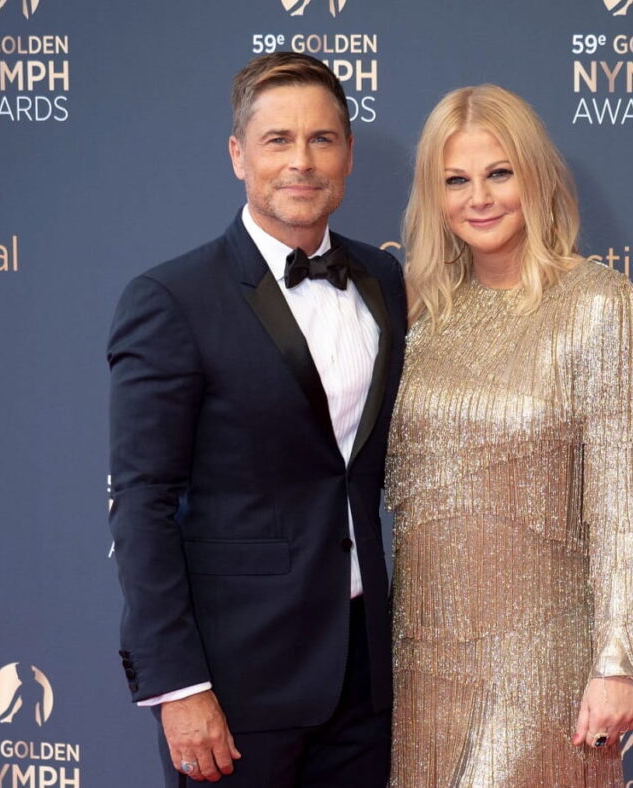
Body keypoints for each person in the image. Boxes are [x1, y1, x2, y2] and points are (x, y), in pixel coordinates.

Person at [108, 52, 406, 786]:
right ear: (238, 154)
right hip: (236, 686)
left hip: (366, 680)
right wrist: (179, 688)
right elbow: (141, 505)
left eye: (321, 139)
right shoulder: (172, 299)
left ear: (348, 154)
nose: (301, 162)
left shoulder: (386, 280)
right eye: (277, 140)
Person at [385, 85, 633, 786]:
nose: (478, 197)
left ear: (536, 175)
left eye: (499, 172)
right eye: (456, 180)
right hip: (418, 662)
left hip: (542, 661)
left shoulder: (601, 308)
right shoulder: (419, 318)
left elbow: (628, 510)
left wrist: (619, 662)